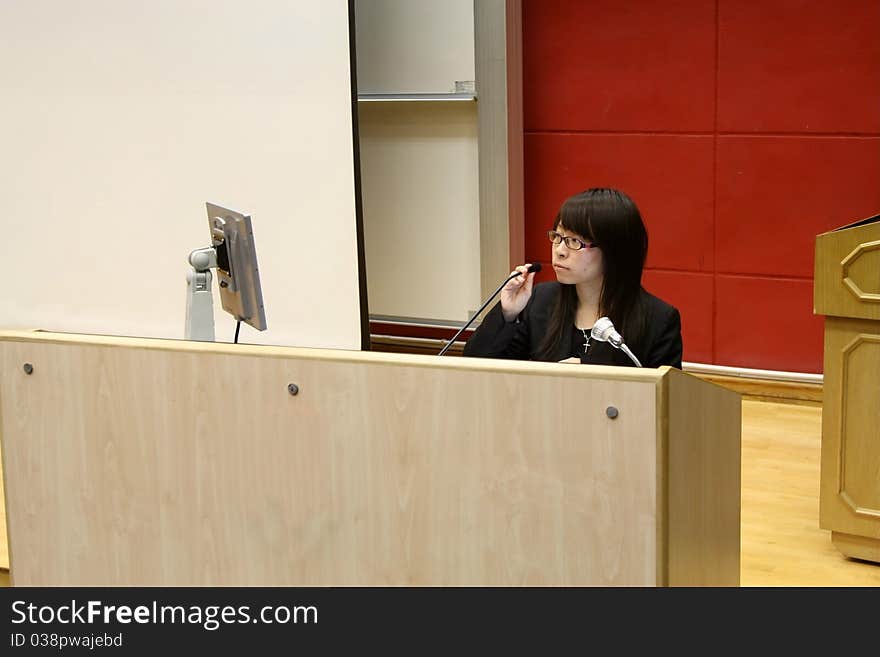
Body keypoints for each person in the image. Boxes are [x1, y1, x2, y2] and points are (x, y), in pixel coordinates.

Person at [463, 188, 682, 368]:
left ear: (614, 250)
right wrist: (508, 314)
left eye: (575, 241)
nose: (559, 250)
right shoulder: (540, 301)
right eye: (557, 237)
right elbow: (476, 367)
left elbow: (666, 405)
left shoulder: (658, 320)